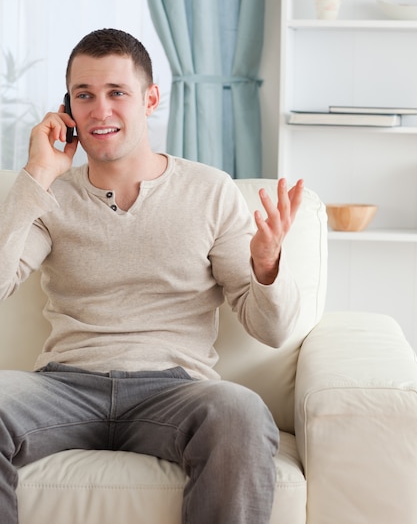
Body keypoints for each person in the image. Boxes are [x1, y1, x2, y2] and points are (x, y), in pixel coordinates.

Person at [0, 28, 304, 524]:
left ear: (151, 99)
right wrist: (37, 174)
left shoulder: (210, 191)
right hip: (64, 386)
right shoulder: (50, 194)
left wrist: (267, 265)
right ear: (66, 108)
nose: (100, 112)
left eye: (117, 93)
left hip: (174, 390)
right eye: (84, 96)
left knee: (240, 412)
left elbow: (271, 330)